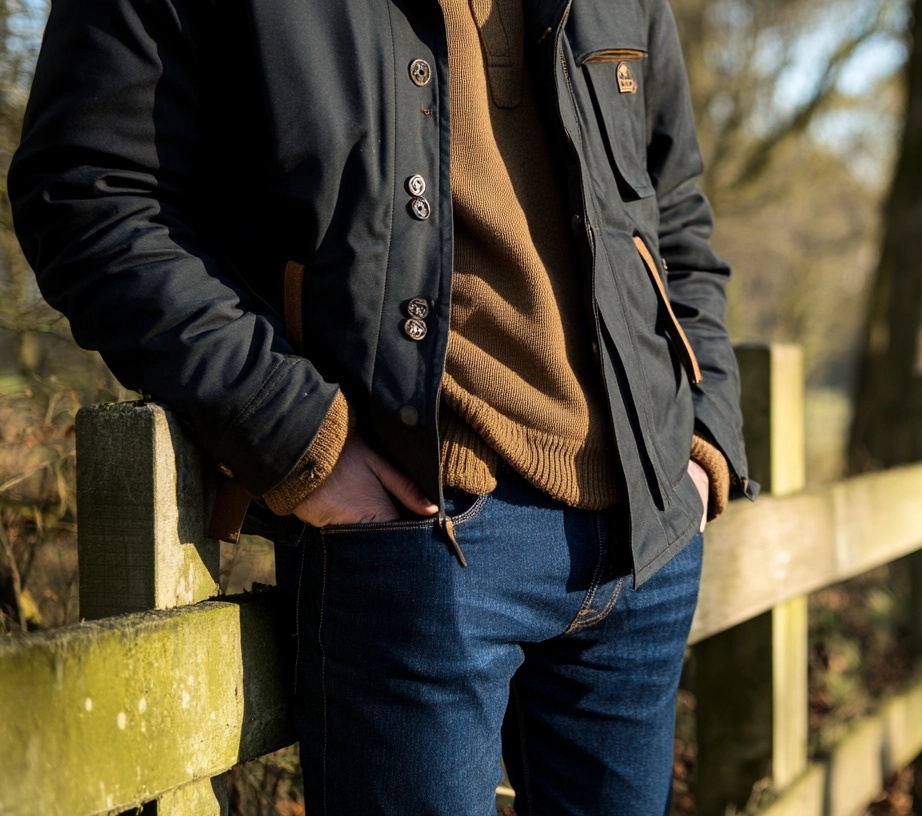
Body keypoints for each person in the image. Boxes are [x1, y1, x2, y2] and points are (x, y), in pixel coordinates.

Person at [10, 0, 756, 812]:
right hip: (417, 542)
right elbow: (90, 194)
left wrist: (703, 440)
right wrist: (296, 431)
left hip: (644, 546)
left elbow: (671, 205)